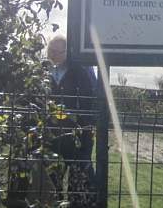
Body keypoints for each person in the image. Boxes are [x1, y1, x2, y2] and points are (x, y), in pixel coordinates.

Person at [47, 35, 97, 208]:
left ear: (67, 52)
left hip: (76, 131)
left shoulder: (80, 70)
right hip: (51, 132)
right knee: (51, 176)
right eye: (51, 50)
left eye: (58, 51)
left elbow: (89, 99)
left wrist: (84, 125)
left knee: (80, 174)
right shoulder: (44, 71)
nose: (53, 55)